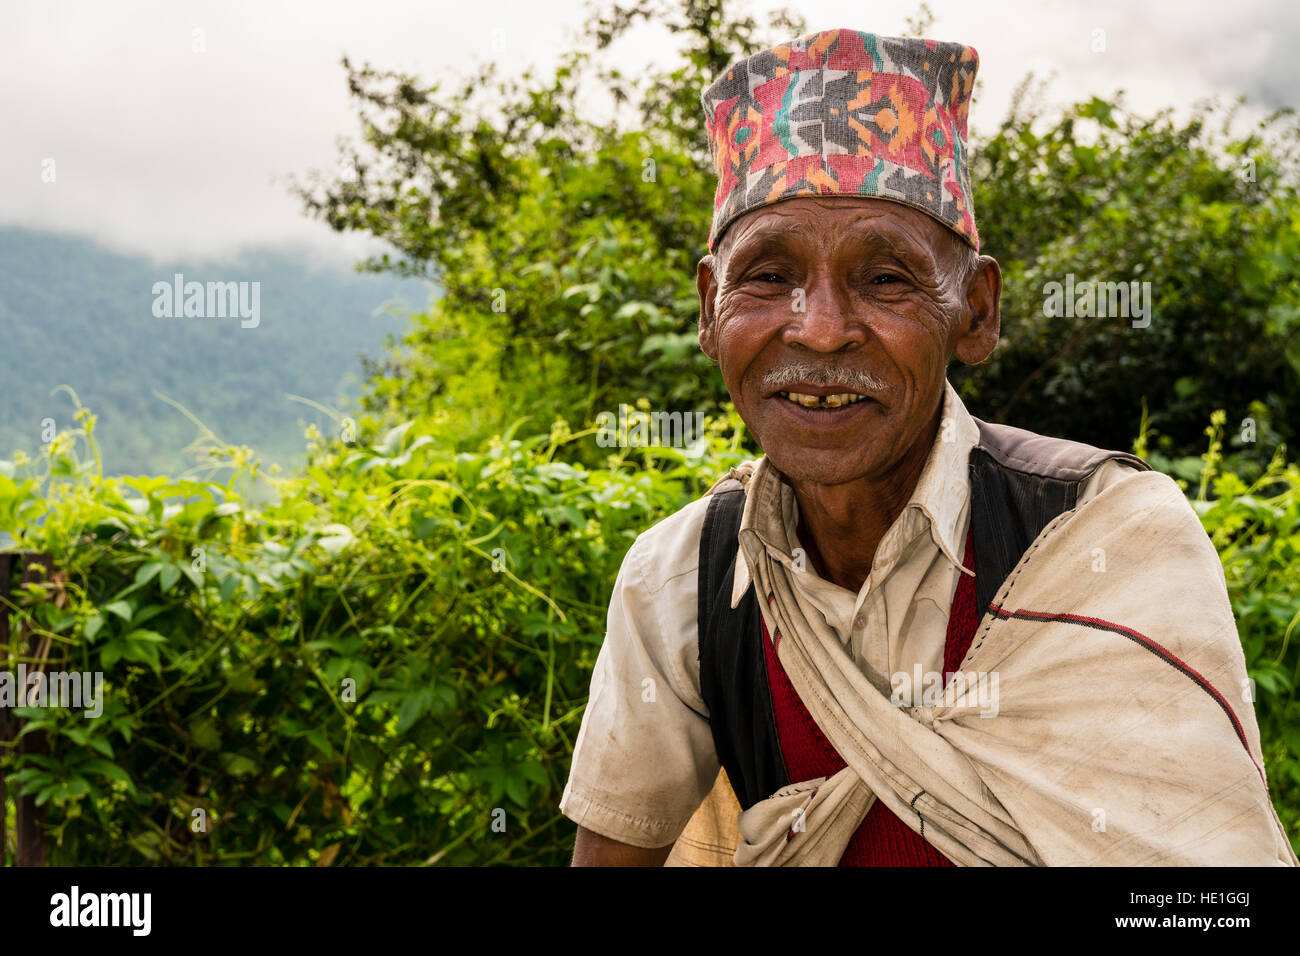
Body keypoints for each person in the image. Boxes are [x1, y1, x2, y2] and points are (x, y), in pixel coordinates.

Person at [559, 27, 1298, 866]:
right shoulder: (681, 578)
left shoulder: (1109, 536)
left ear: (976, 312)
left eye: (886, 279)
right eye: (768, 276)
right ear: (708, 307)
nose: (824, 330)